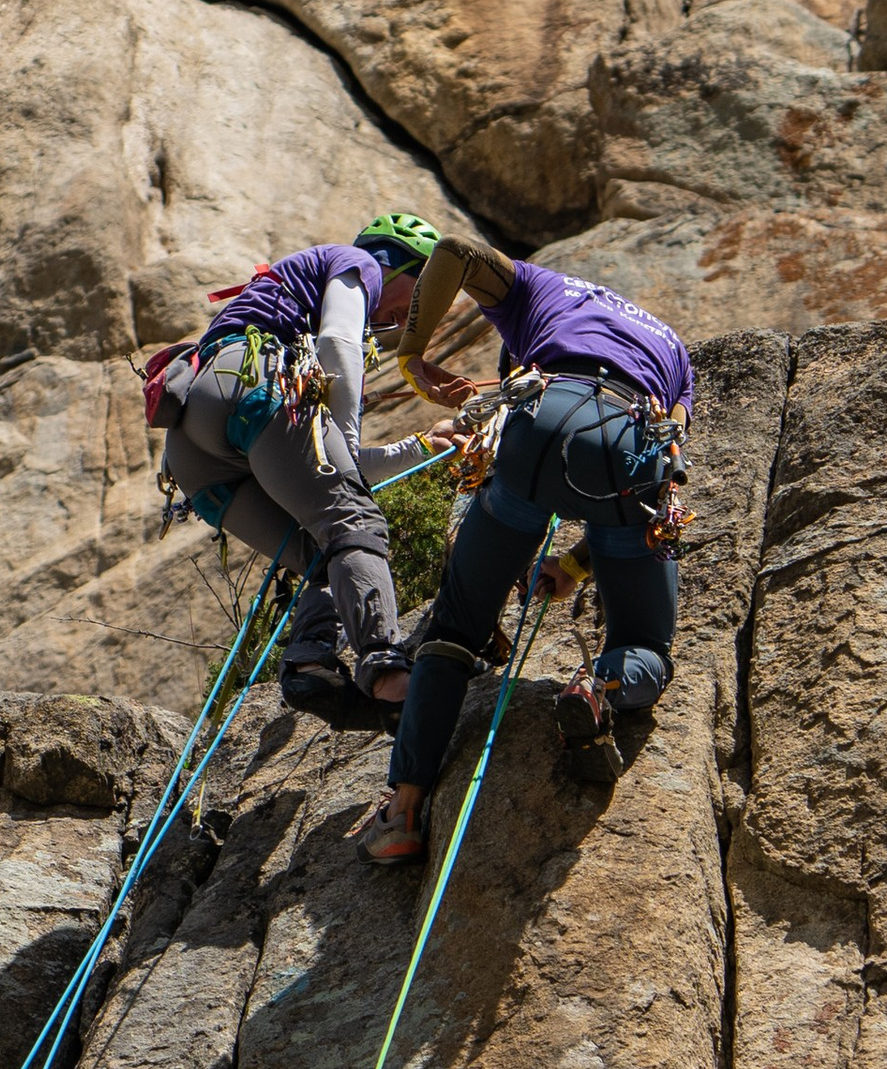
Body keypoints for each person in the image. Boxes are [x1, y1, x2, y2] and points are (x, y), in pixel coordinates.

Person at [368, 235, 695, 869]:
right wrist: (574, 566)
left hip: (539, 421)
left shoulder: (537, 290)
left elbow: (455, 250)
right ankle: (599, 684)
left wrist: (412, 356)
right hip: (628, 441)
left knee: (454, 631)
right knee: (647, 643)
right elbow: (666, 457)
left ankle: (402, 811)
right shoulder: (676, 350)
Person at [152, 217, 441, 713]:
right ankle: (389, 673)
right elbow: (339, 342)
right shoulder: (360, 264)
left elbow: (328, 473)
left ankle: (310, 665)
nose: (407, 317)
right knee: (354, 523)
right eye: (418, 298)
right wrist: (347, 441)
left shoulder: (293, 312)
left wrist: (420, 447)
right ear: (401, 265)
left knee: (324, 547)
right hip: (256, 381)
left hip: (194, 447)